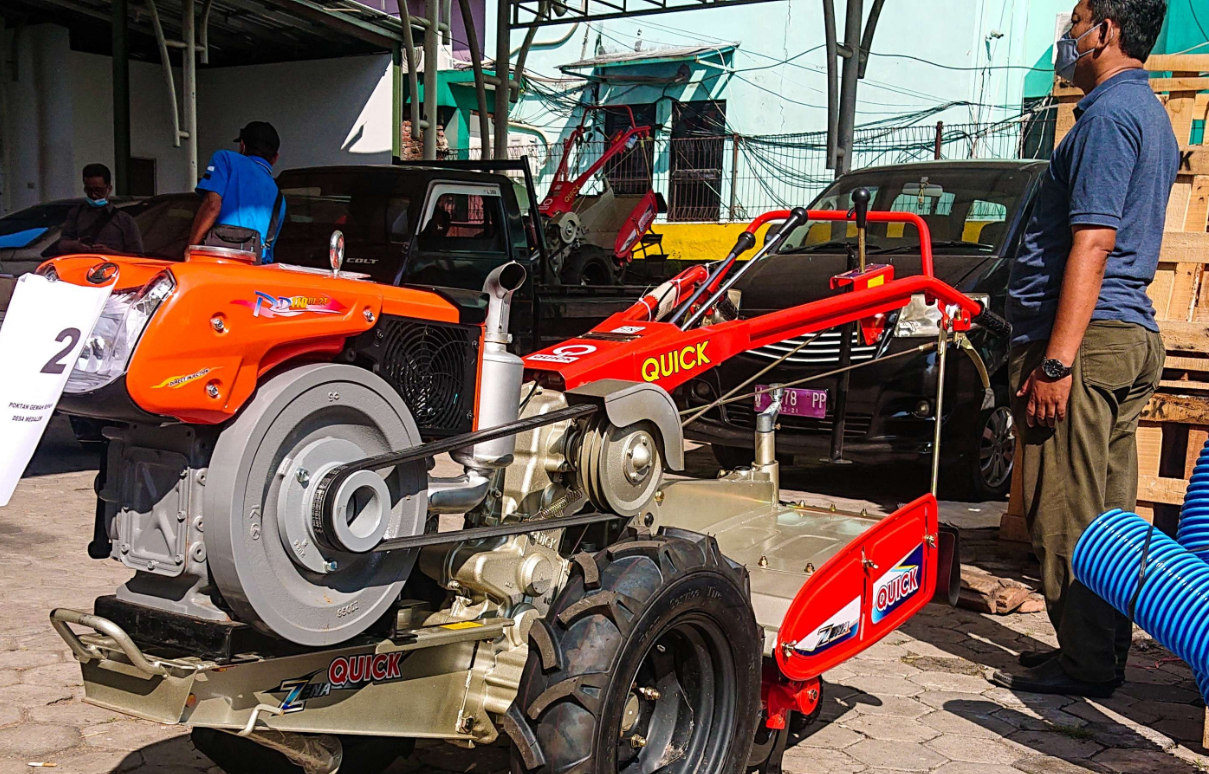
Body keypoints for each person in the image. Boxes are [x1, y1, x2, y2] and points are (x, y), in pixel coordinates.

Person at [990, 0, 1176, 698]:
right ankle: (1096, 651)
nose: (1065, 39)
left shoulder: (1103, 118)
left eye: (1074, 22)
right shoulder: (1148, 113)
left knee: (1064, 508)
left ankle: (1088, 663)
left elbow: (1092, 242)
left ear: (1106, 31)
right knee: (1107, 515)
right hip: (1125, 336)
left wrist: (1056, 361)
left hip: (1088, 343)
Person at [188, 121, 286, 263]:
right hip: (253, 276)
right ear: (275, 158)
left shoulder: (225, 159)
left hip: (214, 267)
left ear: (242, 145)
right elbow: (267, 251)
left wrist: (191, 249)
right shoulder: (279, 198)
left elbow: (212, 205)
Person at [58, 163, 143, 256]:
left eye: (99, 190)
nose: (94, 195)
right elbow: (62, 245)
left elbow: (138, 256)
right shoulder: (76, 214)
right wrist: (75, 245)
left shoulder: (124, 220)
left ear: (109, 189)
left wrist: (109, 252)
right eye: (89, 191)